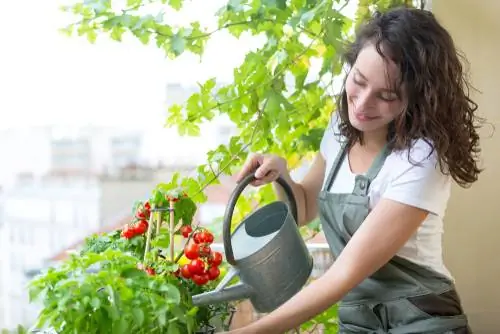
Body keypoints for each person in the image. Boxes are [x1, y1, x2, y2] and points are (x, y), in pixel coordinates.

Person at [225, 6, 482, 334]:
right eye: (357, 81)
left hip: (421, 321)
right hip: (359, 322)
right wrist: (282, 175)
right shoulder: (338, 130)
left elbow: (344, 274)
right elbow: (303, 208)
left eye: (386, 96)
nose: (361, 104)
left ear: (415, 98)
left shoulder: (421, 158)